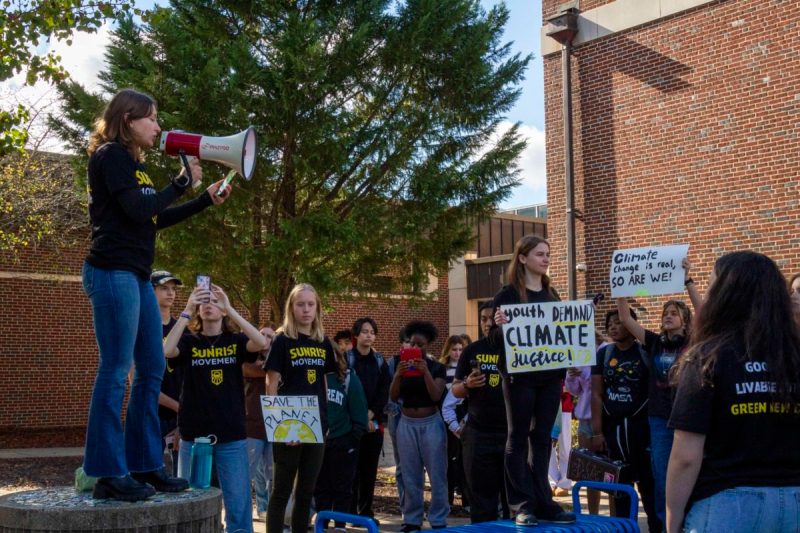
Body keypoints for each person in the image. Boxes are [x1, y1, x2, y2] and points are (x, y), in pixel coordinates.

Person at [82, 88, 230, 501]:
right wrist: (182, 181)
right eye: (151, 117)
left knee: (150, 370)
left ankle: (145, 465)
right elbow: (135, 210)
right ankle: (107, 473)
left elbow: (154, 217)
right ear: (128, 119)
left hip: (137, 275)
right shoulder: (109, 156)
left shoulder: (137, 167)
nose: (158, 126)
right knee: (114, 372)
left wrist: (203, 199)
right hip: (110, 273)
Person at [667, 251, 800, 533]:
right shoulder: (794, 356)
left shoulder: (707, 357)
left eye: (711, 284)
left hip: (728, 504)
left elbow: (685, 456)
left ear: (725, 295)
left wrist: (672, 518)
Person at [163, 283, 267, 533]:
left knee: (238, 503)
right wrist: (187, 309)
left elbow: (261, 341)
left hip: (231, 435)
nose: (209, 305)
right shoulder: (189, 342)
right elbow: (166, 350)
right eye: (203, 302)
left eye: (214, 302)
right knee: (192, 503)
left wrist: (230, 309)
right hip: (194, 436)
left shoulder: (236, 340)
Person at [492, 235, 575, 526]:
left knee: (542, 438)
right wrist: (499, 327)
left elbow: (563, 336)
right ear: (523, 258)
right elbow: (493, 341)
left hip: (550, 379)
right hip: (519, 379)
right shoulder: (507, 295)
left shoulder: (552, 296)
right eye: (540, 254)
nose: (546, 258)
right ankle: (521, 504)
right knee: (517, 437)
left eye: (548, 254)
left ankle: (543, 500)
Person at [616, 257, 699, 525]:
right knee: (662, 476)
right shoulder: (653, 342)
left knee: (692, 473)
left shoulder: (694, 340)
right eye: (665, 313)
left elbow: (706, 313)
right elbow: (627, 320)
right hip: (660, 419)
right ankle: (666, 526)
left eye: (674, 313)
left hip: (688, 419)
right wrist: (621, 290)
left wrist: (688, 281)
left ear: (685, 321)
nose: (667, 316)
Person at [264, 283, 338, 533]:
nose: (306, 309)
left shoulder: (323, 341)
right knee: (282, 491)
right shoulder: (282, 339)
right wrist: (282, 428)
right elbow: (271, 383)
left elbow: (323, 383)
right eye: (300, 304)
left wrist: (325, 422)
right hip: (289, 423)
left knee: (306, 493)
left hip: (316, 423)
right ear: (291, 308)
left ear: (317, 308)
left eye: (310, 304)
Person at [591, 310, 660, 532]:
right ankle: (625, 529)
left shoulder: (644, 352)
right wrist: (598, 432)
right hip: (614, 431)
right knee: (620, 487)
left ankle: (655, 527)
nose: (613, 327)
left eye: (618, 323)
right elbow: (596, 393)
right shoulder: (604, 354)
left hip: (641, 430)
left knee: (648, 485)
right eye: (609, 324)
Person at [452, 301, 510, 523]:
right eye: (483, 319)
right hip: (478, 434)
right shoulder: (472, 350)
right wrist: (467, 385)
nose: (487, 323)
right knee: (482, 502)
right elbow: (455, 390)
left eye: (491, 318)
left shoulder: (516, 349)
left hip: (510, 435)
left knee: (513, 502)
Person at [389, 320, 449, 532]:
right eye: (412, 344)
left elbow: (436, 395)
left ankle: (438, 518)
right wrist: (398, 374)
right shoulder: (400, 364)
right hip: (406, 423)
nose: (415, 348)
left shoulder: (437, 367)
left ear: (428, 345)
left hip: (431, 423)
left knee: (437, 473)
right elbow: (393, 396)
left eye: (420, 345)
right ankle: (412, 519)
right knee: (409, 473)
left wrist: (425, 372)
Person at [315, 344, 369, 532]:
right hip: (318, 442)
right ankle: (322, 525)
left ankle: (340, 526)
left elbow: (359, 412)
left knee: (343, 488)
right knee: (321, 488)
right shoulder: (311, 377)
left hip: (343, 441)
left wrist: (352, 438)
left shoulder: (347, 378)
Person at [347, 317, 391, 523]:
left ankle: (365, 512)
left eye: (372, 332)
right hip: (351, 425)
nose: (368, 335)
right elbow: (343, 390)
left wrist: (371, 414)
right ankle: (348, 512)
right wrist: (359, 417)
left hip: (373, 424)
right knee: (350, 470)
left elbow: (384, 391)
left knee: (369, 470)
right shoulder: (347, 359)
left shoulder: (380, 361)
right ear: (356, 335)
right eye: (364, 331)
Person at [151, 269, 183, 476]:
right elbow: (137, 381)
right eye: (164, 288)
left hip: (182, 416)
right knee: (151, 474)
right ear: (150, 291)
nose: (170, 293)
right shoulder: (142, 327)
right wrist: (180, 408)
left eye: (173, 289)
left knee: (182, 478)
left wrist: (184, 415)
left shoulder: (181, 328)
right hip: (153, 415)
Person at [242, 326, 276, 522]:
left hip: (274, 426)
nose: (264, 338)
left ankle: (271, 513)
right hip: (251, 427)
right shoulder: (246, 360)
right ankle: (247, 515)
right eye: (261, 334)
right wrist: (271, 369)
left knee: (273, 476)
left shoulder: (277, 361)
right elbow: (254, 370)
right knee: (246, 475)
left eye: (269, 336)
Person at [565, 363, 600, 514]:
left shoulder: (605, 350)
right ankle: (594, 517)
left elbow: (600, 385)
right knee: (589, 472)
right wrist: (571, 375)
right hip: (585, 419)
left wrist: (586, 374)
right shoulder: (579, 354)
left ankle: (616, 520)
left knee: (613, 474)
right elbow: (576, 391)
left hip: (606, 419)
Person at [439, 335, 469, 510]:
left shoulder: (466, 370)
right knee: (449, 459)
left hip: (464, 412)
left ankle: (467, 500)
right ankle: (448, 499)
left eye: (460, 349)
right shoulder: (442, 370)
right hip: (447, 414)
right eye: (454, 349)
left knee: (466, 459)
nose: (457, 353)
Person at [384, 327, 411, 503]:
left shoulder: (427, 363)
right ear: (401, 344)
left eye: (415, 343)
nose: (410, 346)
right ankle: (405, 505)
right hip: (398, 416)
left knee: (417, 465)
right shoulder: (392, 363)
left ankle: (415, 503)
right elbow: (387, 393)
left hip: (419, 417)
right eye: (407, 342)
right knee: (402, 465)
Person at [548, 384, 573, 497]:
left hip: (564, 406)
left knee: (565, 446)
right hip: (546, 405)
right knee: (548, 446)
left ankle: (564, 483)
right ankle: (551, 481)